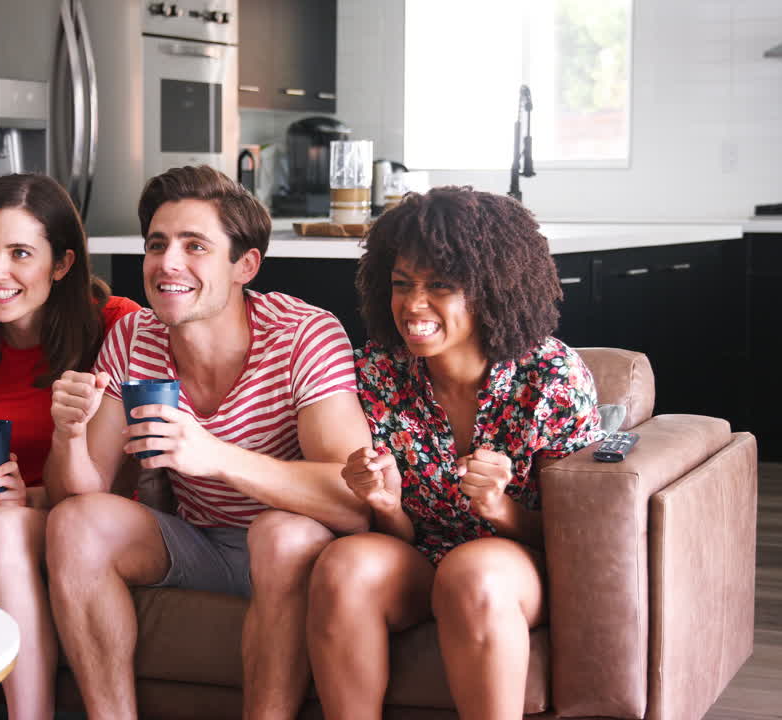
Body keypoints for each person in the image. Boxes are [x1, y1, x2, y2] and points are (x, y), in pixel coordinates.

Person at [44, 165, 372, 720]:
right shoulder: (133, 336)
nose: (168, 263)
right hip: (199, 541)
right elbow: (81, 493)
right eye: (157, 245)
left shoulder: (303, 334)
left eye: (195, 246)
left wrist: (215, 457)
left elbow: (353, 499)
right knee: (75, 523)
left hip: (291, 546)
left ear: (245, 265)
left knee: (280, 535)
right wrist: (68, 436)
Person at [305, 187, 605, 720]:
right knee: (344, 564)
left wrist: (499, 509)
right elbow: (401, 536)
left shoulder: (551, 377)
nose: (412, 305)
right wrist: (386, 505)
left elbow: (577, 537)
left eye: (440, 285)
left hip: (513, 569)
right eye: (402, 284)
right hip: (420, 561)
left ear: (491, 289)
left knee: (471, 572)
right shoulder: (376, 371)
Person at [0, 173, 139, 720]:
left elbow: (121, 482)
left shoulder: (117, 326)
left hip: (89, 515)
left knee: (2, 527)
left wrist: (31, 497)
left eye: (20, 253)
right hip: (8, 506)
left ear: (61, 264)